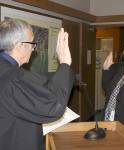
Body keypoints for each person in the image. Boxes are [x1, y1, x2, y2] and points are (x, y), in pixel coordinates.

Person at [0, 19, 74, 150]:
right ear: (19, 46)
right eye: (32, 44)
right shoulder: (13, 78)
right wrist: (64, 63)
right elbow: (54, 106)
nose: (33, 49)